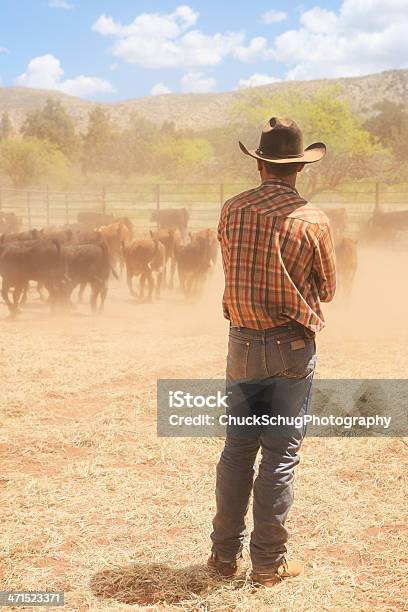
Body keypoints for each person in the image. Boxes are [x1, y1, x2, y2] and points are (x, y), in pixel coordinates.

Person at [208, 117, 336, 587]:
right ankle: (267, 563)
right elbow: (329, 287)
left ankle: (223, 559)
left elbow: (228, 262)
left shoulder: (232, 209)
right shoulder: (312, 219)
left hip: (242, 341)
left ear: (260, 162)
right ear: (299, 168)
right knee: (279, 456)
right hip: (290, 347)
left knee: (238, 451)